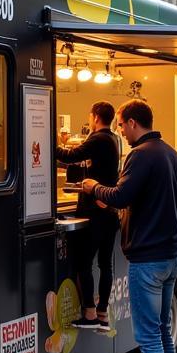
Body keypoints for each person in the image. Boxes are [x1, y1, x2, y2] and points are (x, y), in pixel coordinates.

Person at [81, 99, 177, 353]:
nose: (121, 131)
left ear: (133, 123)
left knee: (150, 339)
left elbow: (121, 195)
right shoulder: (171, 153)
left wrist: (93, 187)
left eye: (122, 125)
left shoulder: (141, 154)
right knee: (163, 336)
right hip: (170, 255)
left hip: (149, 258)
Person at [55, 102, 120, 331]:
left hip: (95, 211)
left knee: (84, 262)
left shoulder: (98, 139)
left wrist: (43, 143)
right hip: (110, 211)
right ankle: (102, 314)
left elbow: (71, 155)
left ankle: (89, 313)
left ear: (95, 117)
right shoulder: (113, 139)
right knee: (105, 264)